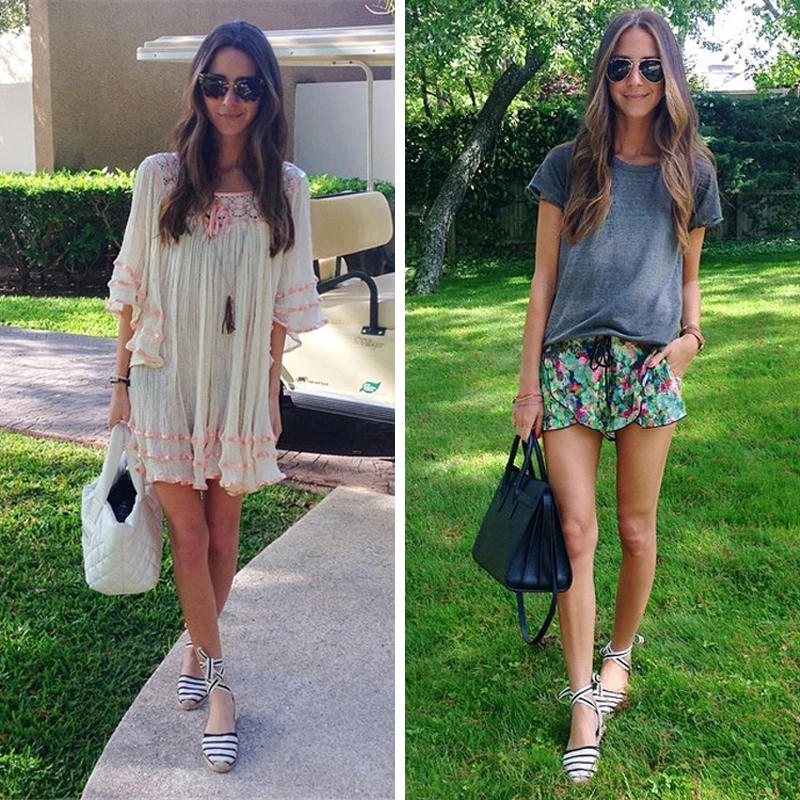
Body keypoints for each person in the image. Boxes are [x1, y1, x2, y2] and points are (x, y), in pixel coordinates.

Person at [105, 19, 326, 773]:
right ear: (198, 88)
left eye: (247, 86)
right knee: (191, 536)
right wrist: (120, 384)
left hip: (235, 386)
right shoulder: (159, 177)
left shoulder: (287, 187)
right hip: (164, 377)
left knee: (225, 534)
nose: (230, 99)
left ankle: (198, 656)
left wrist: (269, 389)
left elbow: (283, 305)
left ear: (267, 95)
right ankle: (222, 685)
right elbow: (131, 289)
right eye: (216, 83)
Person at [513, 8, 722, 784]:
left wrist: (690, 342)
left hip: (648, 367)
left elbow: (690, 281)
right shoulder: (566, 165)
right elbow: (543, 279)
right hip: (570, 364)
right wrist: (526, 385)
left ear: (670, 76)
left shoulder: (691, 171)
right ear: (604, 76)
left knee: (636, 529)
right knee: (576, 529)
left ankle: (619, 658)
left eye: (650, 67)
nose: (636, 80)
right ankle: (582, 701)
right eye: (621, 67)